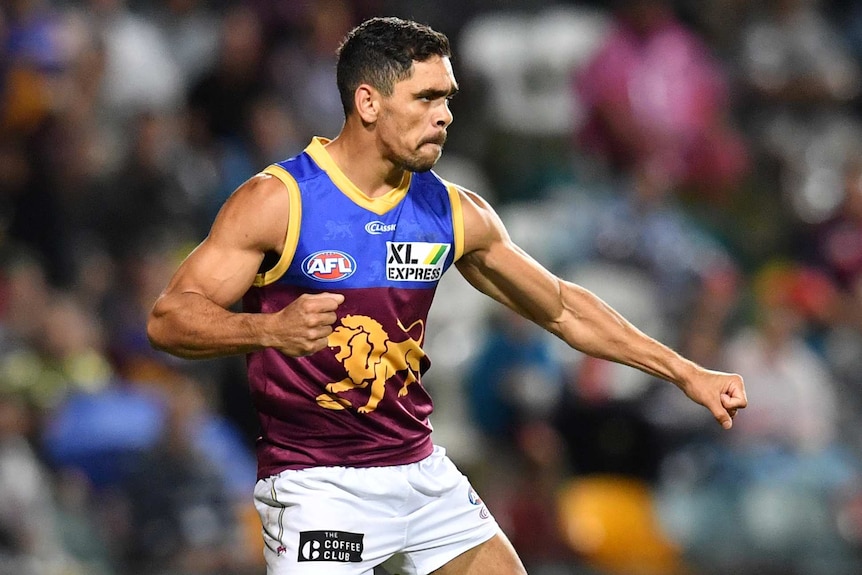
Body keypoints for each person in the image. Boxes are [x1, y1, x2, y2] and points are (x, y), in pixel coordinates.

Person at [146, 16, 747, 575]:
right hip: (321, 489)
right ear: (368, 102)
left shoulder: (453, 213)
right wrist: (268, 331)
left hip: (419, 473)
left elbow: (562, 307)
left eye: (448, 98)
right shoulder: (281, 201)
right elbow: (169, 319)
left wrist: (685, 372)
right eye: (427, 98)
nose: (445, 116)